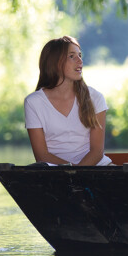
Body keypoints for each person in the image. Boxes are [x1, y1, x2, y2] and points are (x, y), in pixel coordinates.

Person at [24, 36, 112, 166]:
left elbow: (96, 152)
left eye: (80, 55)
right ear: (55, 63)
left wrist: (76, 174)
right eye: (72, 56)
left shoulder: (95, 98)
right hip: (55, 171)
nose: (80, 60)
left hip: (95, 168)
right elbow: (41, 155)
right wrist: (69, 172)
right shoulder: (33, 102)